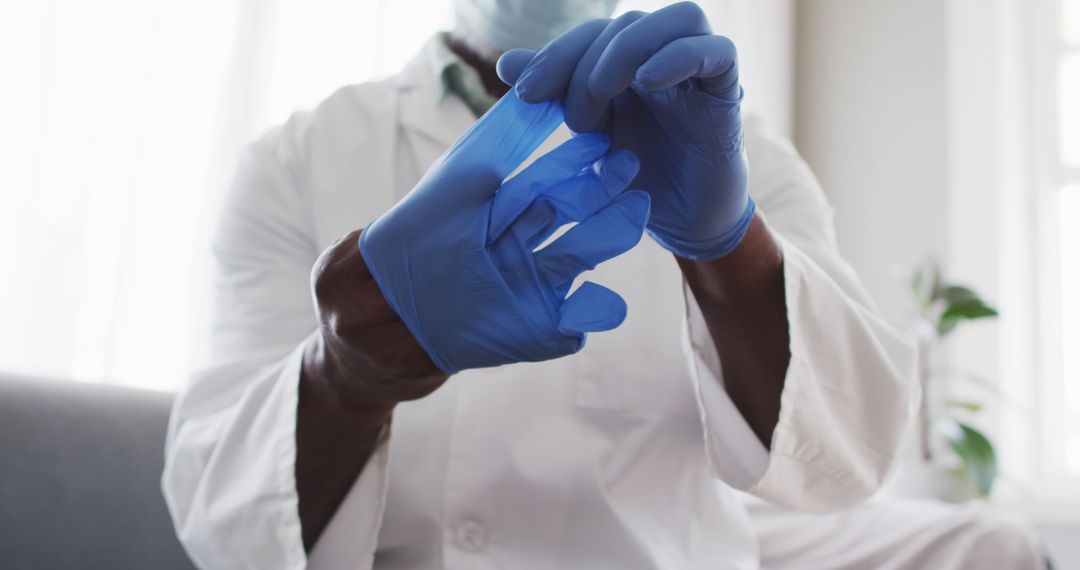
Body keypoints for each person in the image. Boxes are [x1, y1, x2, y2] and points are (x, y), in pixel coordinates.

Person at [161, 1, 1041, 568]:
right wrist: (343, 378)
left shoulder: (742, 156)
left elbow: (846, 454)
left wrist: (726, 246)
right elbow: (226, 521)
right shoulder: (299, 157)